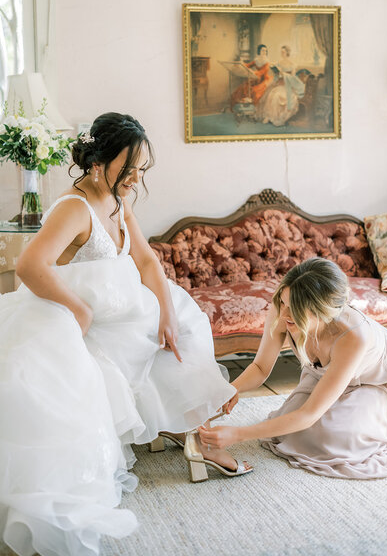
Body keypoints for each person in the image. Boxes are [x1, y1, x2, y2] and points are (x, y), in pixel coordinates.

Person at [0, 113, 250, 556]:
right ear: (99, 161)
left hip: (125, 308)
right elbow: (29, 266)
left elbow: (148, 261)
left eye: (142, 167)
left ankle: (196, 430)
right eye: (129, 166)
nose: (136, 177)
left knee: (186, 324)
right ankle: (191, 432)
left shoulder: (118, 200)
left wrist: (167, 314)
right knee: (159, 346)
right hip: (90, 317)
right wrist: (77, 308)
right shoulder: (73, 208)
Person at [199, 257, 387, 479]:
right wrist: (231, 390)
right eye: (284, 302)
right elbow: (260, 367)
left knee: (333, 439)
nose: (284, 314)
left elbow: (309, 414)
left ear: (322, 310)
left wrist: (239, 435)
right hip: (323, 375)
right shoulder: (282, 310)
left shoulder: (353, 336)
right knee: (293, 432)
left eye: (294, 308)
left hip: (376, 382)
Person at [257, 45, 305, 127]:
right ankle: (269, 116)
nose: (282, 53)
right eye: (281, 52)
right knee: (271, 94)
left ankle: (277, 118)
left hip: (288, 86)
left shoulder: (292, 64)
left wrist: (284, 74)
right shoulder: (279, 63)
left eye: (283, 52)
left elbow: (292, 78)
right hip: (280, 84)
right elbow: (277, 77)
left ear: (287, 53)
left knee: (277, 96)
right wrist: (277, 74)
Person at [230, 44, 273, 110]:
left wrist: (252, 72)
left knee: (255, 92)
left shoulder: (267, 62)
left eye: (265, 51)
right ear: (259, 51)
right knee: (243, 88)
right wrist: (241, 64)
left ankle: (254, 110)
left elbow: (261, 72)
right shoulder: (257, 60)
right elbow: (248, 65)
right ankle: (243, 108)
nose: (264, 52)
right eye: (263, 50)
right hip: (256, 79)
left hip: (264, 80)